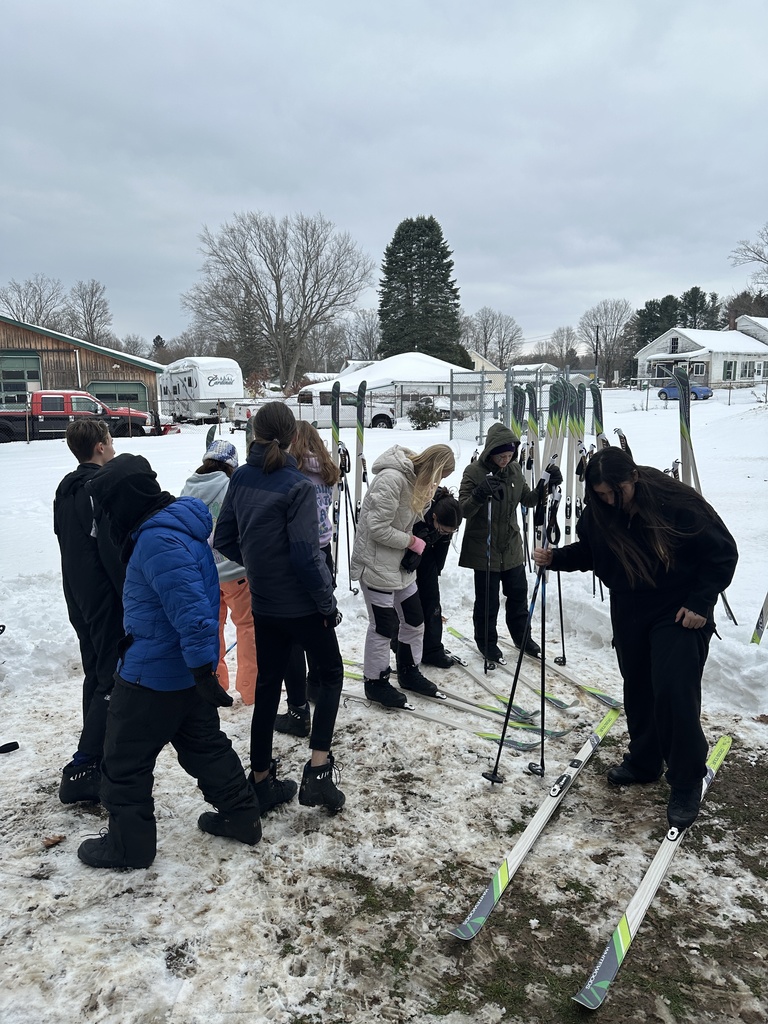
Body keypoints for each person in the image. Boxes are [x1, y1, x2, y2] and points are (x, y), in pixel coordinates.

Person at [533, 447, 738, 830]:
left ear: (634, 479)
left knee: (674, 689)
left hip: (678, 609)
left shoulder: (675, 501)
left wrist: (700, 601)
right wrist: (556, 558)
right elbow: (596, 552)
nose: (609, 500)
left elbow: (722, 553)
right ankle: (645, 761)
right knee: (639, 686)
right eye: (601, 494)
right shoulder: (601, 510)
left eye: (616, 492)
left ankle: (686, 780)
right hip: (630, 607)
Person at [77, 454, 260, 869]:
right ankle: (242, 815)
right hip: (181, 673)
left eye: (107, 507)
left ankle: (130, 846)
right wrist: (199, 671)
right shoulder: (174, 525)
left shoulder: (158, 540)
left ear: (124, 501)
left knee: (123, 761)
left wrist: (202, 669)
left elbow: (192, 610)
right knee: (204, 747)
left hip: (153, 674)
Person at [214, 402, 345, 813]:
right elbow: (308, 556)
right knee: (332, 673)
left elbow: (225, 538)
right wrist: (327, 603)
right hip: (301, 605)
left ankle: (261, 779)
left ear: (255, 433)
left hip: (267, 602)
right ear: (291, 437)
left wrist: (257, 565)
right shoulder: (297, 485)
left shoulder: (241, 478)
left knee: (270, 686)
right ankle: (318, 771)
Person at [350, 443, 456, 708]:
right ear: (434, 467)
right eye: (441, 476)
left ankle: (408, 671)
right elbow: (377, 528)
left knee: (414, 619)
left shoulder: (417, 482)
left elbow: (408, 518)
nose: (439, 482)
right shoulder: (392, 479)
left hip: (398, 566)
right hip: (375, 564)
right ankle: (375, 682)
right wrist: (412, 542)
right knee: (383, 626)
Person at [53, 419, 124, 804]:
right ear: (99, 447)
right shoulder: (96, 489)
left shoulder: (64, 489)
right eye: (109, 440)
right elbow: (108, 551)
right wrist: (129, 592)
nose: (112, 446)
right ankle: (83, 764)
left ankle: (93, 756)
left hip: (76, 595)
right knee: (109, 677)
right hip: (101, 596)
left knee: (96, 673)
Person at [458, 422, 559, 661]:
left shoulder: (514, 471)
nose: (506, 459)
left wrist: (547, 482)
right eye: (501, 455)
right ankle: (486, 642)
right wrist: (479, 494)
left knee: (517, 595)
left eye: (510, 454)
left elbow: (530, 499)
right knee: (488, 601)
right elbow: (463, 510)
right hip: (485, 548)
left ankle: (523, 637)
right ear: (490, 451)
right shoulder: (473, 472)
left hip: (511, 546)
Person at [274, 420, 340, 738]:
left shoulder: (293, 474)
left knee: (292, 636)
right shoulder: (326, 470)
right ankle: (316, 685)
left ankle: (298, 707)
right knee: (318, 623)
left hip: (299, 552)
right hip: (324, 551)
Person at [180, 439, 257, 706]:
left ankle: (216, 685)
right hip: (236, 571)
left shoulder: (187, 489)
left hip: (204, 574)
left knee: (212, 630)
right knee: (248, 629)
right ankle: (250, 690)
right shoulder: (233, 487)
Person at [409, 487, 463, 668]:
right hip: (408, 556)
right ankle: (403, 647)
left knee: (432, 604)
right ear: (434, 518)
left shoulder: (447, 519)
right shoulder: (421, 509)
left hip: (428, 559)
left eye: (451, 532)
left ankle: (432, 650)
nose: (446, 534)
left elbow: (441, 550)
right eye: (444, 530)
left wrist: (435, 571)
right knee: (409, 606)